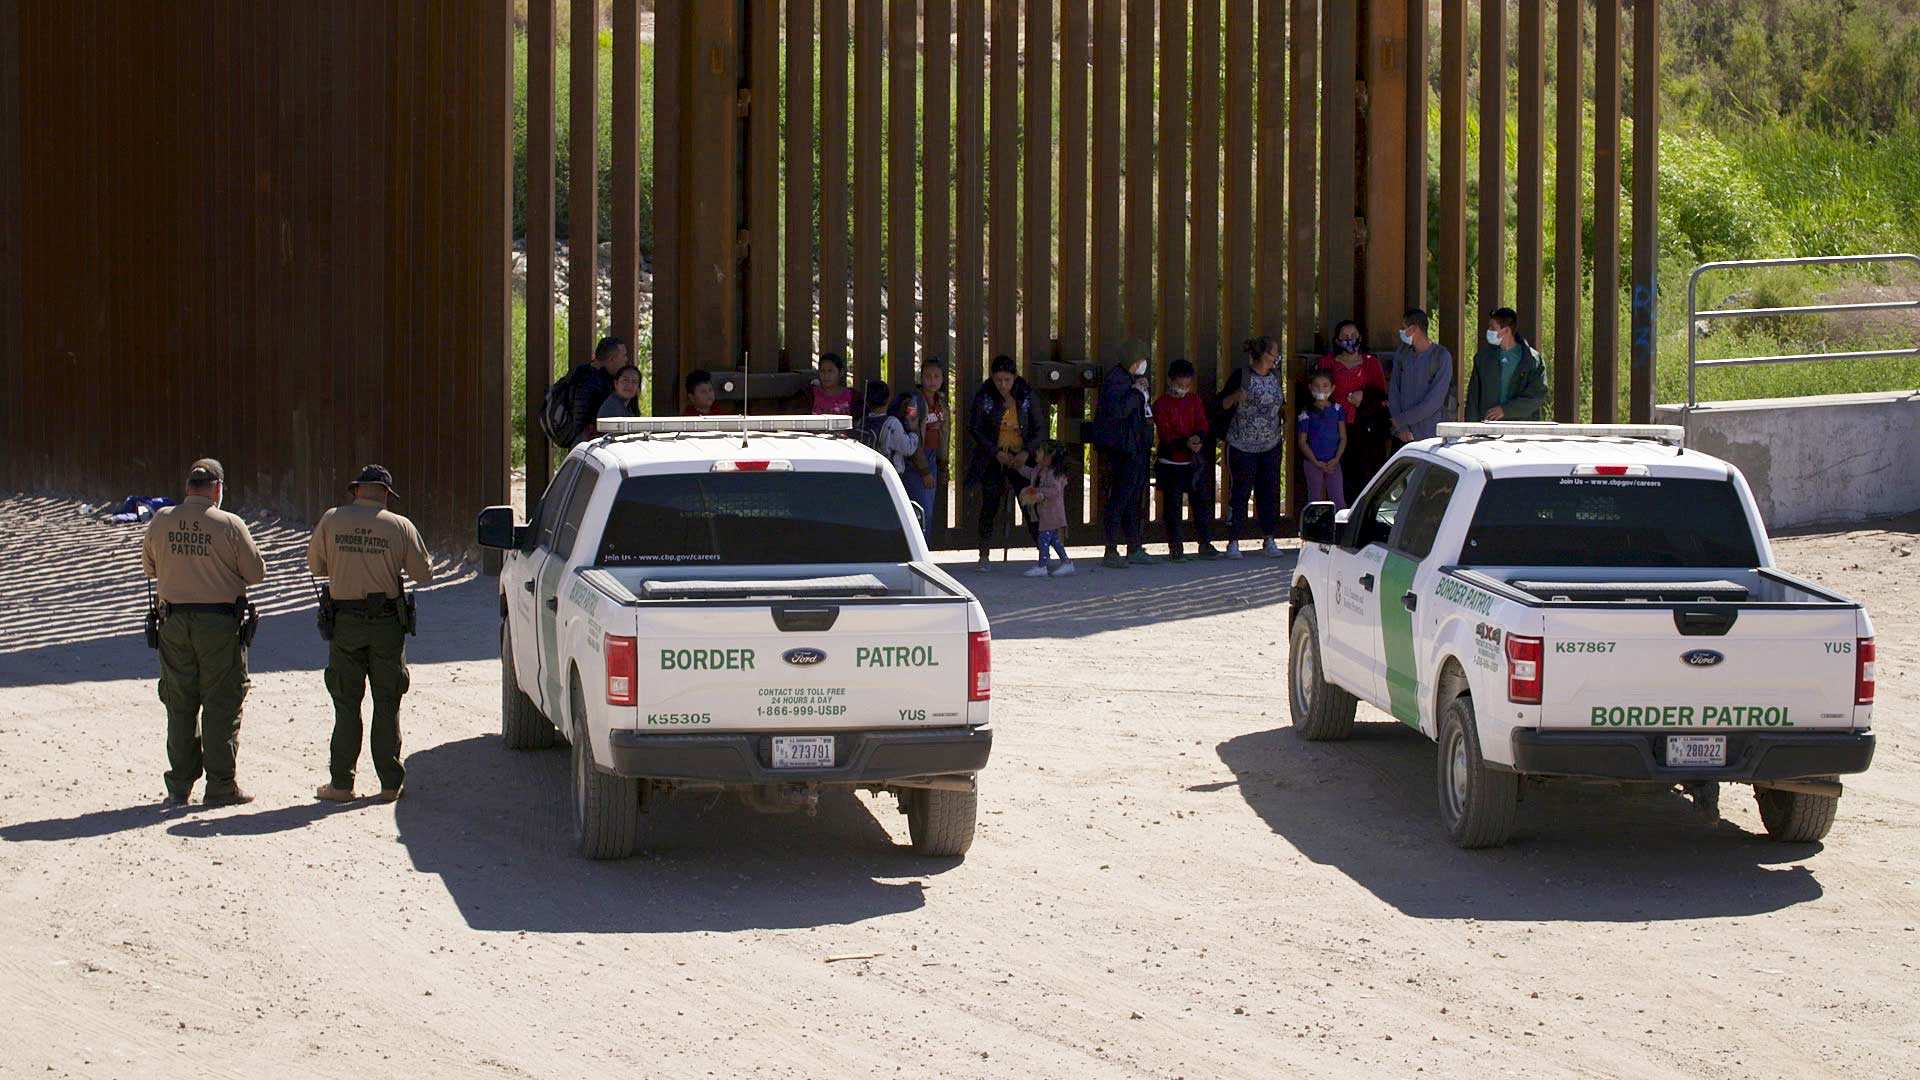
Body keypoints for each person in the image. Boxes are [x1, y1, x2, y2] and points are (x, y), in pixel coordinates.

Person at [140, 458, 267, 807]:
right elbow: (255, 573)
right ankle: (220, 784)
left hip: (174, 624)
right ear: (218, 488)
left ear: (187, 488)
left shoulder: (162, 519)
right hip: (218, 625)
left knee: (180, 702)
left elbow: (149, 567)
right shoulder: (230, 523)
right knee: (221, 702)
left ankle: (179, 786)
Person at [309, 466, 434, 804]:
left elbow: (316, 566)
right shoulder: (399, 525)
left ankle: (341, 783)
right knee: (387, 701)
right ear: (385, 494)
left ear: (357, 490)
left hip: (345, 623)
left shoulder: (331, 520)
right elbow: (423, 574)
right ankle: (390, 783)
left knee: (346, 703)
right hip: (386, 625)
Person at [965, 355, 1042, 570]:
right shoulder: (985, 395)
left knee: (1030, 504)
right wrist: (994, 452)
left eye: (1007, 380)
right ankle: (984, 554)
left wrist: (1027, 452)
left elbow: (1039, 428)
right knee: (989, 504)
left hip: (1020, 458)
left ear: (1015, 377)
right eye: (998, 380)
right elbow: (976, 428)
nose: (1003, 385)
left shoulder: (1026, 395)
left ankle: (1043, 553)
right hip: (994, 459)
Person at [1218, 336, 1288, 559]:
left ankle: (1269, 538)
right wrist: (1236, 396)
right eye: (1273, 353)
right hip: (1242, 445)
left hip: (1270, 443)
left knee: (1269, 491)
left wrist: (1284, 424)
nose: (1276, 358)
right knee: (1240, 492)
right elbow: (1221, 403)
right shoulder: (1242, 376)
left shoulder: (1276, 376)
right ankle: (1234, 540)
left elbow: (1281, 405)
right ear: (1262, 355)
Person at [1092, 342, 1160, 568]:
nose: (1143, 364)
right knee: (1119, 498)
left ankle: (1134, 546)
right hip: (1123, 450)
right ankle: (1111, 549)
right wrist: (1137, 394)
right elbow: (1119, 411)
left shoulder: (1131, 380)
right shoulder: (1117, 380)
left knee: (1133, 499)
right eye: (1139, 360)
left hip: (1137, 448)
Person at [1314, 320, 1391, 502]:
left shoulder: (1371, 363)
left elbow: (1382, 396)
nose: (1350, 340)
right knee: (1338, 479)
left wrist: (1363, 396)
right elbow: (1317, 392)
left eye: (1354, 336)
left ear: (1361, 338)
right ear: (1338, 340)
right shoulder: (1329, 363)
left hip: (1364, 430)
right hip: (1335, 429)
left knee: (1365, 476)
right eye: (1345, 337)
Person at [1152, 359, 1218, 561]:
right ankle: (1175, 546)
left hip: (1193, 462)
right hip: (1171, 462)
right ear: (1170, 381)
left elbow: (1202, 423)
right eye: (1180, 385)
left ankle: (1205, 543)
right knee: (1172, 507)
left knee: (1201, 503)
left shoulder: (1194, 400)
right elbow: (1165, 433)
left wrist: (1198, 438)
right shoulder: (1161, 404)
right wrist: (1186, 443)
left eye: (1187, 385)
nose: (1183, 389)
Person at [1464, 306, 1550, 422]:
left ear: (1506, 331)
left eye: (1492, 328)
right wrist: (1471, 428)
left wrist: (1506, 410)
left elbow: (1537, 396)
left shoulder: (1532, 360)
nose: (1489, 331)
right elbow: (1473, 397)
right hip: (1487, 429)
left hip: (1520, 431)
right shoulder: (1483, 358)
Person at [1388, 309, 1454, 444]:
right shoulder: (1402, 354)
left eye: (1403, 328)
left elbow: (1434, 401)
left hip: (1431, 436)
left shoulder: (1441, 357)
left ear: (1414, 329)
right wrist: (1401, 427)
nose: (1401, 332)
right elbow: (1394, 391)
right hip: (1402, 435)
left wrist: (1402, 420)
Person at [901, 356, 948, 539]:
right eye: (928, 376)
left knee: (927, 510)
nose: (932, 381)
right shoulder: (914, 403)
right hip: (917, 460)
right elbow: (912, 434)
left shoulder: (941, 403)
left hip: (933, 458)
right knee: (921, 511)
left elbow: (944, 435)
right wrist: (924, 469)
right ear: (921, 378)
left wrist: (943, 466)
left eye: (937, 376)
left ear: (943, 379)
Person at [1016, 439, 1075, 577]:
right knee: (1053, 539)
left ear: (1049, 457)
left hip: (1052, 512)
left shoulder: (1054, 474)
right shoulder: (1041, 469)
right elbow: (1030, 473)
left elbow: (1055, 491)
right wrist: (1018, 467)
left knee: (1043, 538)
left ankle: (1042, 566)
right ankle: (1066, 562)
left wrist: (1040, 494)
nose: (1036, 453)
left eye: (1040, 451)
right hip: (1045, 512)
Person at [1297, 370, 1350, 510]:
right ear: (1310, 388)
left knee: (1338, 498)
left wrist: (1336, 459)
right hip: (1313, 462)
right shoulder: (1305, 413)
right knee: (1314, 499)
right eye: (1317, 386)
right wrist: (1316, 462)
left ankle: (1340, 529)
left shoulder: (1338, 410)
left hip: (1333, 463)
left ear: (1332, 388)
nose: (1321, 390)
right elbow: (1302, 441)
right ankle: (1312, 530)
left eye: (1325, 386)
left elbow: (1343, 437)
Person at [858, 379, 920, 478]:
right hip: (890, 475)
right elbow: (908, 448)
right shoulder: (892, 424)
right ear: (888, 399)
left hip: (868, 471)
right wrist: (914, 431)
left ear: (867, 402)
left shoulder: (862, 422)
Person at [569, 335, 627, 440]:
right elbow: (580, 420)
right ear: (612, 359)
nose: (626, 360)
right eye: (624, 356)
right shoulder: (586, 381)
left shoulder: (591, 376)